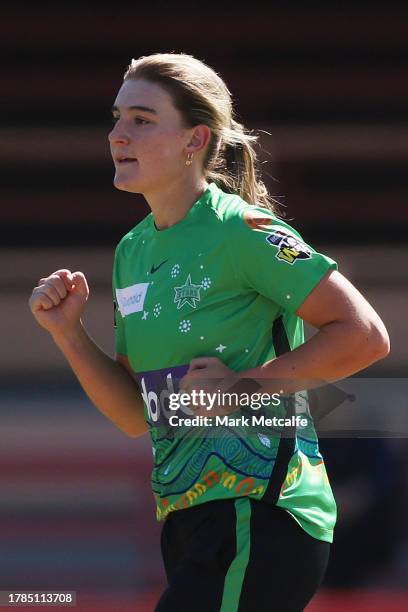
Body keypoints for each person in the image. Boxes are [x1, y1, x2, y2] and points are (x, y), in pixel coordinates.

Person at [28, 53, 390, 612]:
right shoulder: (132, 250)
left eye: (142, 120)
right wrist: (68, 334)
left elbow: (365, 335)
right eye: (118, 117)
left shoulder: (242, 229)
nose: (118, 134)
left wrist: (244, 388)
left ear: (195, 140)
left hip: (262, 508)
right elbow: (134, 416)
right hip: (188, 517)